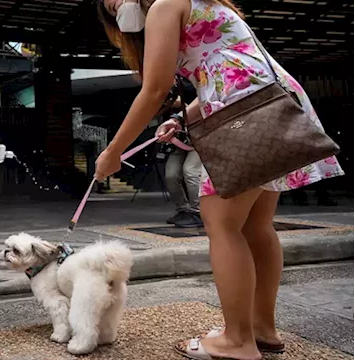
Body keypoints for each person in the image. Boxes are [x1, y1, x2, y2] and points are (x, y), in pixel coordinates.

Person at [95, 1, 344, 359]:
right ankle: (262, 329)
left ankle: (237, 341)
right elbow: (226, 63)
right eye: (111, 4)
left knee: (222, 224)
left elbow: (155, 89)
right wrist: (183, 119)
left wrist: (113, 151)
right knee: (257, 225)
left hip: (241, 109)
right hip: (271, 102)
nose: (119, 3)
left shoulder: (165, 5)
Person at [163, 78, 203, 228]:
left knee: (191, 171)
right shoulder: (170, 82)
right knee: (171, 174)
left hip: (201, 135)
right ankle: (184, 210)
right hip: (179, 137)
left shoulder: (198, 75)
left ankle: (198, 212)